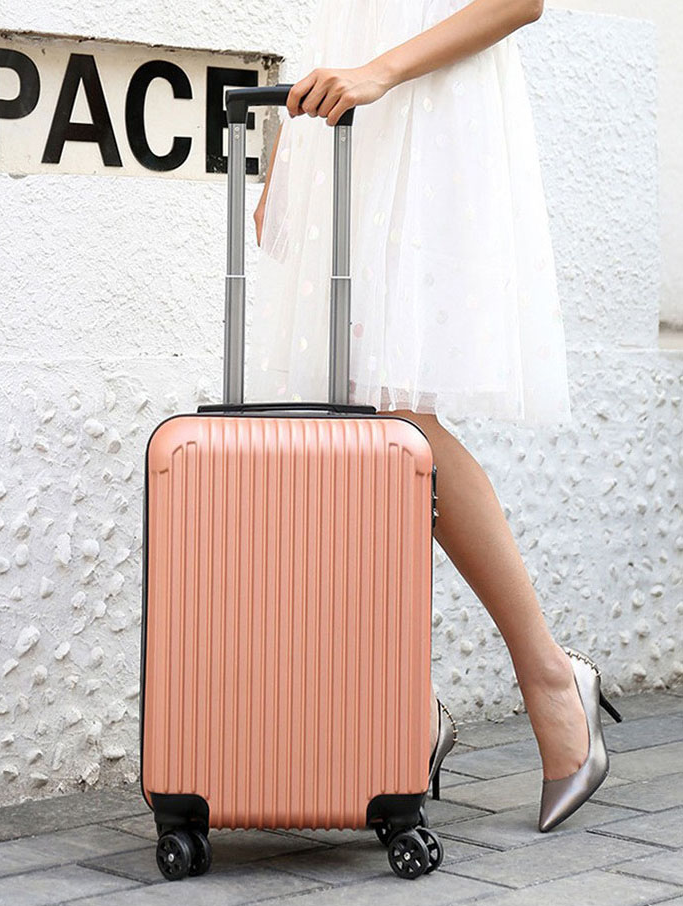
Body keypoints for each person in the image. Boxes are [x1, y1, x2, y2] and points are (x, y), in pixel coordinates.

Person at [246, 0, 623, 832]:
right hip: (353, 118)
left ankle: (550, 678)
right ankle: (410, 709)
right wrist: (288, 160)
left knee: (392, 418)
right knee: (345, 415)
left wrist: (379, 72)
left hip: (430, 116)